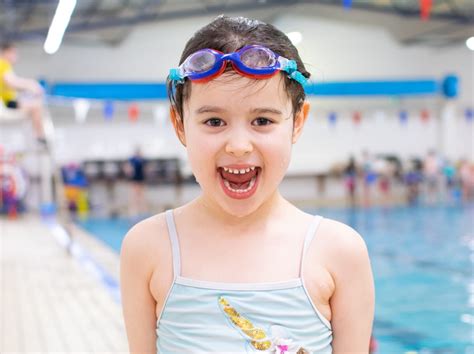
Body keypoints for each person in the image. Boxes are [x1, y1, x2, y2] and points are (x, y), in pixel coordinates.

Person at [120, 15, 374, 353]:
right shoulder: (148, 247)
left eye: (262, 120)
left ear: (297, 123)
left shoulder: (339, 252)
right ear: (180, 125)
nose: (238, 145)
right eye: (214, 121)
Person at [0, 41, 47, 146]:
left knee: (33, 105)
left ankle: (37, 135)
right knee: (37, 106)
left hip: (10, 101)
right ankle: (39, 137)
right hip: (7, 103)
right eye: (14, 53)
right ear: (6, 52)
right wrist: (31, 84)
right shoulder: (3, 64)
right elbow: (12, 82)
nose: (16, 57)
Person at [126, 147, 147, 217]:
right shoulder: (132, 159)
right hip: (135, 179)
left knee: (141, 196)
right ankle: (134, 211)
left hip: (141, 179)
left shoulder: (142, 159)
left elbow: (145, 168)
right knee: (134, 195)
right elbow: (127, 167)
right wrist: (129, 171)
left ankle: (141, 210)